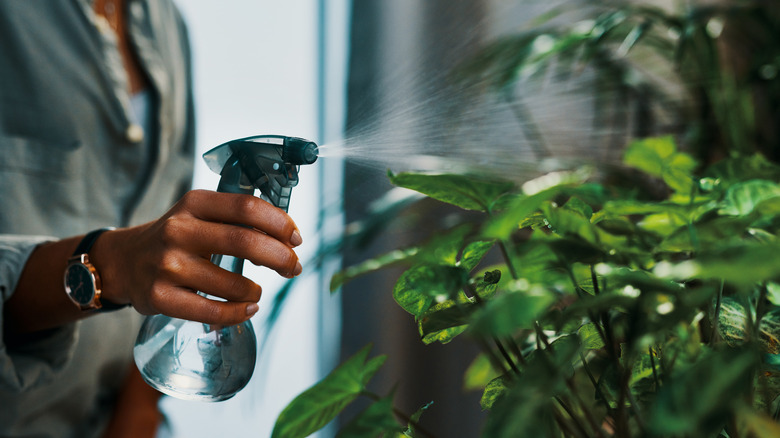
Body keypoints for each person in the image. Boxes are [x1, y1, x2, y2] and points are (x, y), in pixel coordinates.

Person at [0, 1, 302, 437]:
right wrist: (111, 266)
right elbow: (139, 262)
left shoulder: (165, 23)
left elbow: (163, 235)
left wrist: (139, 410)